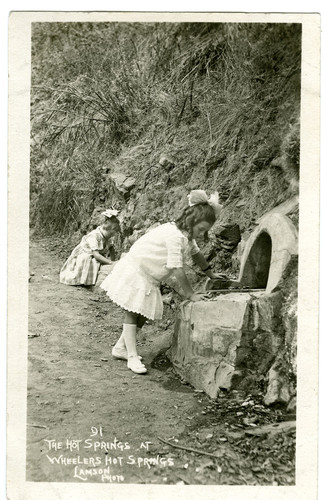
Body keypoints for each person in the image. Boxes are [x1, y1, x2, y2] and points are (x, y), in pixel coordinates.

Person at [100, 190, 223, 374]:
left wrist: (210, 274)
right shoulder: (175, 236)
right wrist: (190, 294)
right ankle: (132, 356)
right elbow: (177, 267)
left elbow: (196, 254)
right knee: (132, 313)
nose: (201, 233)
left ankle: (120, 347)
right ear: (191, 221)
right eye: (200, 229)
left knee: (142, 313)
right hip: (137, 271)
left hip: (149, 276)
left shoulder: (186, 236)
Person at [59, 209, 120, 287]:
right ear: (107, 229)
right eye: (112, 233)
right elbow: (96, 255)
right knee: (92, 261)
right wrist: (110, 263)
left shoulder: (107, 238)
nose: (112, 236)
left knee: (100, 262)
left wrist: (112, 260)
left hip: (94, 254)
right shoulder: (94, 236)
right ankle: (84, 280)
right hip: (85, 254)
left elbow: (111, 249)